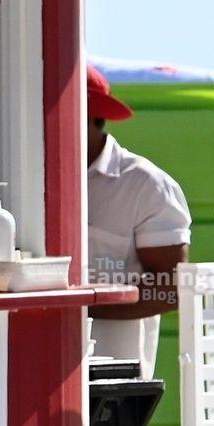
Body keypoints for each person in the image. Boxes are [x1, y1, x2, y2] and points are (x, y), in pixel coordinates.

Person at [85, 66, 191, 378]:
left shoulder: (145, 185)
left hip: (116, 382)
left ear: (94, 116)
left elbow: (170, 288)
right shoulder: (25, 176)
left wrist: (73, 306)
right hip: (33, 367)